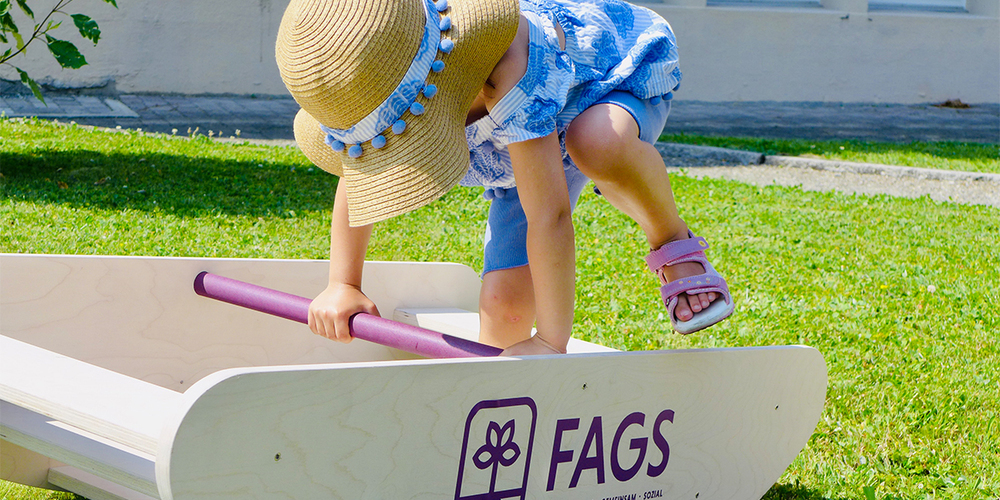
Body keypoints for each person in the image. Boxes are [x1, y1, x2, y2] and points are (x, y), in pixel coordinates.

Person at [275, 0, 734, 355]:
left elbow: (549, 219)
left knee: (594, 143)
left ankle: (674, 245)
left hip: (605, 82)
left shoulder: (510, 71)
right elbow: (356, 185)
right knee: (503, 310)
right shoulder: (371, 90)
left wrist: (552, 342)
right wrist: (344, 284)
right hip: (526, 149)